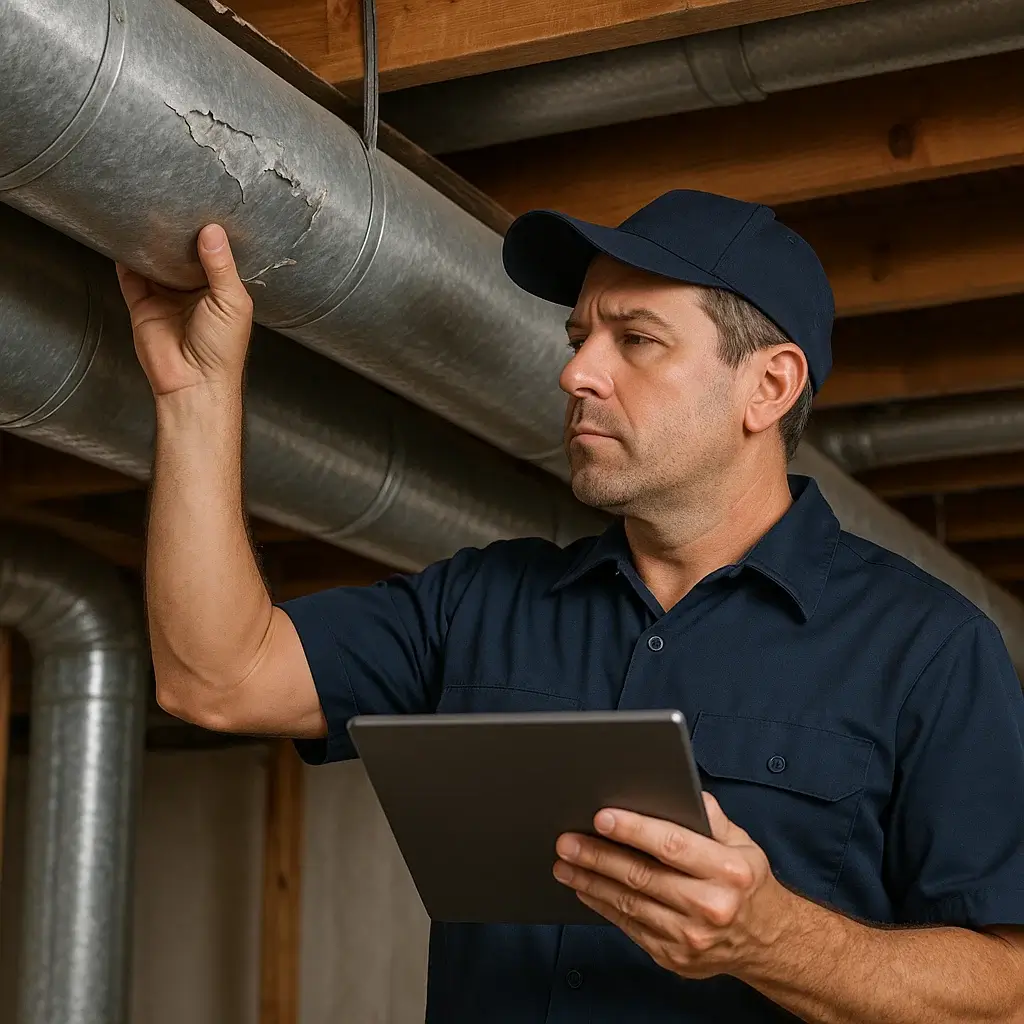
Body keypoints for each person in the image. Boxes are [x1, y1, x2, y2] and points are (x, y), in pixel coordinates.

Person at [117, 189, 1024, 1023]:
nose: (577, 373)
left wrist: (773, 940)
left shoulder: (929, 651)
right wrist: (195, 396)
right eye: (578, 337)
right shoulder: (481, 602)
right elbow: (216, 678)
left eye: (636, 339)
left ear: (769, 387)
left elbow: (1007, 994)